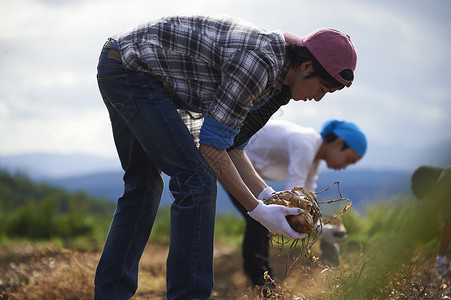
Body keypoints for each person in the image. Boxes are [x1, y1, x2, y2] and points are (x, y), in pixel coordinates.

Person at [94, 15, 357, 300]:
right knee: (196, 180)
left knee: (144, 187)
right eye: (322, 89)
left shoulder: (280, 80)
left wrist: (268, 197)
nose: (318, 98)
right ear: (306, 66)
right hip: (132, 67)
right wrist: (258, 211)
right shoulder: (262, 64)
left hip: (123, 61)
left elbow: (232, 146)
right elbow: (211, 149)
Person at [227, 119, 367, 286]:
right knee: (258, 221)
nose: (345, 166)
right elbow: (293, 195)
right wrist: (318, 229)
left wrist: (321, 229)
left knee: (262, 221)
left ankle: (263, 279)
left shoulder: (313, 159)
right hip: (230, 160)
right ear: (338, 143)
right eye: (349, 159)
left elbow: (307, 199)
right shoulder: (305, 145)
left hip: (245, 170)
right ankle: (260, 281)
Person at [411, 165, 451, 277]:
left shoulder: (445, 182)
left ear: (431, 182)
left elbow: (448, 224)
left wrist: (441, 258)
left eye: (428, 195)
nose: (431, 199)